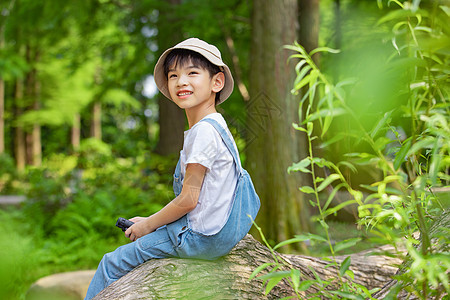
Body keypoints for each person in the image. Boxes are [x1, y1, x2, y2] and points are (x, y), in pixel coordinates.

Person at [84, 38, 259, 299]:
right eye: (173, 75)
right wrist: (152, 223)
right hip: (218, 233)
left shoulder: (203, 133)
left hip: (201, 238)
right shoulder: (218, 126)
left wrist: (146, 228)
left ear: (217, 82)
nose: (181, 81)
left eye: (192, 73)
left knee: (112, 263)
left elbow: (189, 200)